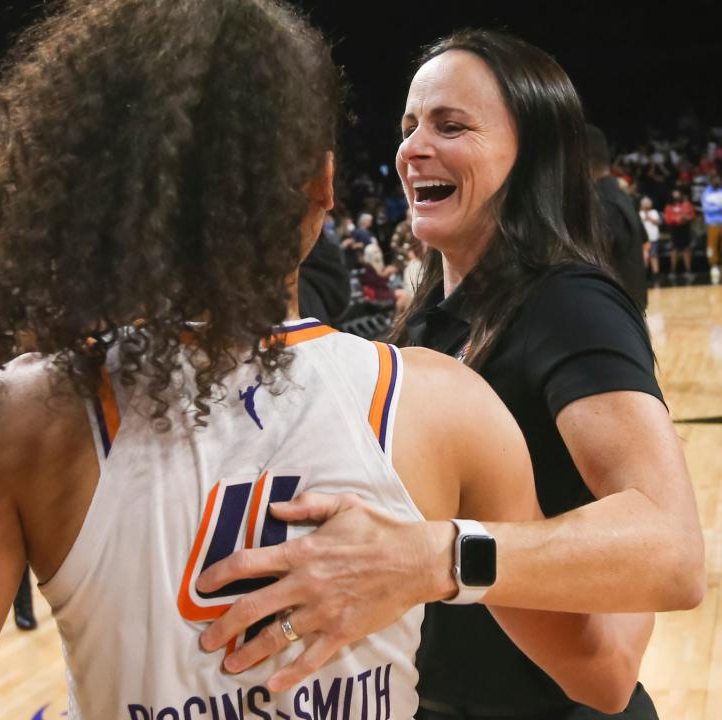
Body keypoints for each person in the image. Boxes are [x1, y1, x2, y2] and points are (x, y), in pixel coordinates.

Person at [0, 4, 651, 719]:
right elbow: (603, 672)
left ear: (96, 184)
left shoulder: (11, 420)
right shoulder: (447, 402)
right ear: (324, 186)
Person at [199, 29, 703, 720]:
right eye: (408, 126)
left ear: (531, 157)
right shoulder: (433, 317)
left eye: (450, 125)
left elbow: (671, 550)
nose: (412, 149)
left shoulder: (568, 303)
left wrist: (436, 556)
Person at [587, 124, 649, 310]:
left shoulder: (603, 205)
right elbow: (645, 243)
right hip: (627, 310)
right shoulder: (620, 196)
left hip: (612, 314)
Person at [663, 188, 696, 277]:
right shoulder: (669, 207)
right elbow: (667, 219)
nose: (676, 196)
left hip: (685, 228)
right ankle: (672, 271)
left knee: (686, 249)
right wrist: (677, 219)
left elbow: (692, 216)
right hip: (674, 229)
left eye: (678, 194)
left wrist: (686, 218)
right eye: (675, 194)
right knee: (674, 249)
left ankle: (688, 271)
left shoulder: (687, 204)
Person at [701, 174, 722, 283]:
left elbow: (711, 207)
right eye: (715, 179)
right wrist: (719, 206)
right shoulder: (706, 193)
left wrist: (715, 206)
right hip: (712, 224)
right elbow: (706, 208)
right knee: (712, 246)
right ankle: (713, 267)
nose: (717, 181)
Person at [638, 196, 661, 278]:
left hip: (653, 238)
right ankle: (644, 275)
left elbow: (658, 222)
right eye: (645, 203)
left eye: (648, 202)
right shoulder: (639, 213)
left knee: (654, 256)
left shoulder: (654, 212)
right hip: (643, 240)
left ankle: (656, 274)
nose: (647, 204)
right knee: (644, 257)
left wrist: (649, 218)